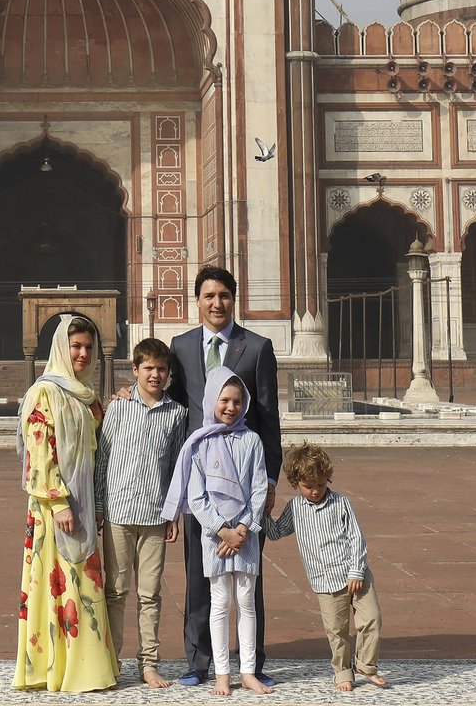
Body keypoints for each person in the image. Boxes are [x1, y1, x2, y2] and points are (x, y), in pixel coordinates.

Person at [165, 266, 282, 688]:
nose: (217, 303)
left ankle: (252, 661)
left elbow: (269, 417)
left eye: (225, 296)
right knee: (200, 573)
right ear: (197, 300)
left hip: (246, 476)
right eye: (209, 295)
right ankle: (200, 661)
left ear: (234, 299)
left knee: (249, 577)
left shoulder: (256, 347)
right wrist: (129, 393)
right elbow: (170, 403)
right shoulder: (180, 347)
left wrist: (270, 481)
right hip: (203, 480)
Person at [13, 313, 118, 694]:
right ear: (61, 347)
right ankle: (62, 669)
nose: (84, 354)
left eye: (89, 347)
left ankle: (84, 667)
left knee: (84, 582)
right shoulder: (45, 392)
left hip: (84, 504)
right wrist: (58, 502)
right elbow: (40, 450)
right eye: (76, 346)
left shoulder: (86, 395)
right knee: (59, 583)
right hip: (53, 506)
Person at [162, 368, 269, 698]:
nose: (231, 407)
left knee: (246, 602)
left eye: (237, 401)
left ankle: (248, 671)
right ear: (212, 401)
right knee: (220, 603)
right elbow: (196, 496)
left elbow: (259, 488)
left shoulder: (252, 440)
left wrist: (242, 529)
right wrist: (223, 530)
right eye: (224, 400)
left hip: (245, 536)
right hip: (215, 537)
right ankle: (223, 673)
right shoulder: (200, 443)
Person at [95, 338, 187, 688]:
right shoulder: (117, 408)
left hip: (154, 514)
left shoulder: (176, 414)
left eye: (161, 369)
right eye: (148, 368)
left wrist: (173, 514)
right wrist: (100, 507)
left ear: (168, 373)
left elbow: (177, 468)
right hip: (118, 511)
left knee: (150, 595)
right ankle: (112, 660)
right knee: (115, 591)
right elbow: (102, 459)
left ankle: (148, 663)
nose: (155, 374)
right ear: (135, 370)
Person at [265, 443, 388, 692]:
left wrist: (356, 570)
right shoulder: (296, 508)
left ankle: (366, 664)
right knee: (336, 630)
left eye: (320, 484)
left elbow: (356, 537)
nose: (315, 491)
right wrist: (263, 514)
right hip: (324, 580)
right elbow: (277, 533)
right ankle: (343, 672)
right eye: (308, 486)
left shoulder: (340, 502)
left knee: (371, 619)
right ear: (296, 483)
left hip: (356, 574)